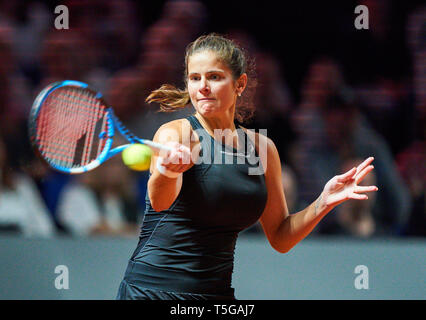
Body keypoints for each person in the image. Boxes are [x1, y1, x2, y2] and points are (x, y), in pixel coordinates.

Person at [116, 33, 378, 300]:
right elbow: (159, 201)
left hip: (216, 296)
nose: (203, 87)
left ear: (240, 84)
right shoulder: (177, 134)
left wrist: (323, 201)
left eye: (214, 77)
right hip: (152, 291)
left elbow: (280, 236)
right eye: (195, 78)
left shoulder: (260, 150)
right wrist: (167, 171)